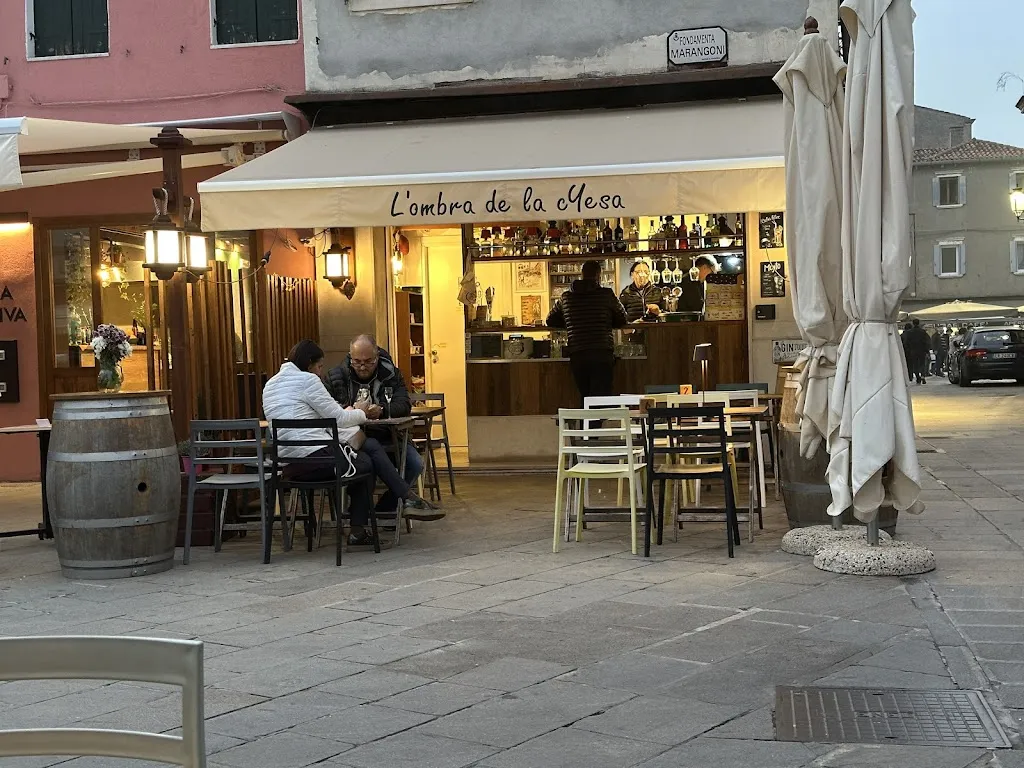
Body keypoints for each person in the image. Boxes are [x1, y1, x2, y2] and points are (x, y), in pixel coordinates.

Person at [262, 340, 438, 548]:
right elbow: (338, 419)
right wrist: (362, 411)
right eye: (319, 366)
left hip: (288, 465)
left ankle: (400, 502)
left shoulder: (271, 385)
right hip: (320, 459)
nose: (320, 372)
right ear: (310, 364)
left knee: (368, 449)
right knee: (367, 461)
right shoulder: (308, 381)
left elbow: (318, 416)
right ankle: (366, 525)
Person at [326, 335, 441, 522]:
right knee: (365, 465)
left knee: (415, 465)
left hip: (389, 435)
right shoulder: (336, 376)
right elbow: (329, 408)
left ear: (377, 356)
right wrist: (353, 411)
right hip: (352, 441)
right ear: (350, 356)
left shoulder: (390, 374)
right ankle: (366, 516)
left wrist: (382, 410)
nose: (362, 367)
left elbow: (404, 404)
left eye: (368, 362)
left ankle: (384, 509)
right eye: (357, 362)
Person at [546, 260, 629, 405]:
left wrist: (571, 322)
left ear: (582, 274)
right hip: (602, 351)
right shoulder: (606, 294)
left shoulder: (566, 297)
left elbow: (550, 320)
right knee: (600, 398)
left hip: (578, 352)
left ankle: (587, 425)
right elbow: (623, 318)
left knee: (586, 396)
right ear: (599, 275)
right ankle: (594, 426)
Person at [903, 318, 931, 384]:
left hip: (913, 351)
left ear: (913, 323)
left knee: (915, 365)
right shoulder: (923, 332)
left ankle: (918, 377)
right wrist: (927, 350)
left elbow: (906, 342)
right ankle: (923, 376)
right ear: (919, 323)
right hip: (922, 350)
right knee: (922, 364)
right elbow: (927, 341)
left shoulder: (909, 332)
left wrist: (909, 350)